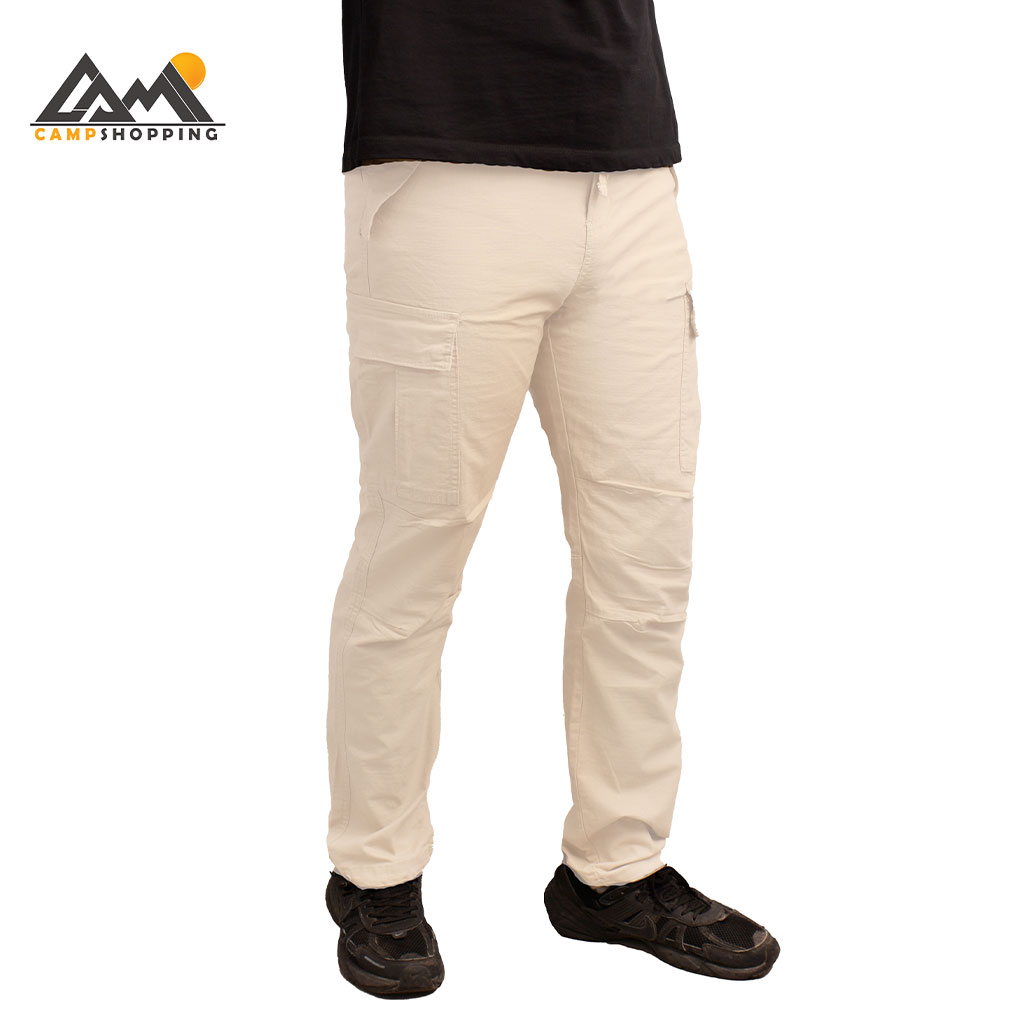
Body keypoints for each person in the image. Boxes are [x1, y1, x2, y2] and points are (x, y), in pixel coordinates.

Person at [325, 1, 779, 999]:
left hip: (628, 169)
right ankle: (375, 870)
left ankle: (616, 869)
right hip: (446, 161)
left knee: (643, 561)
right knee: (414, 555)